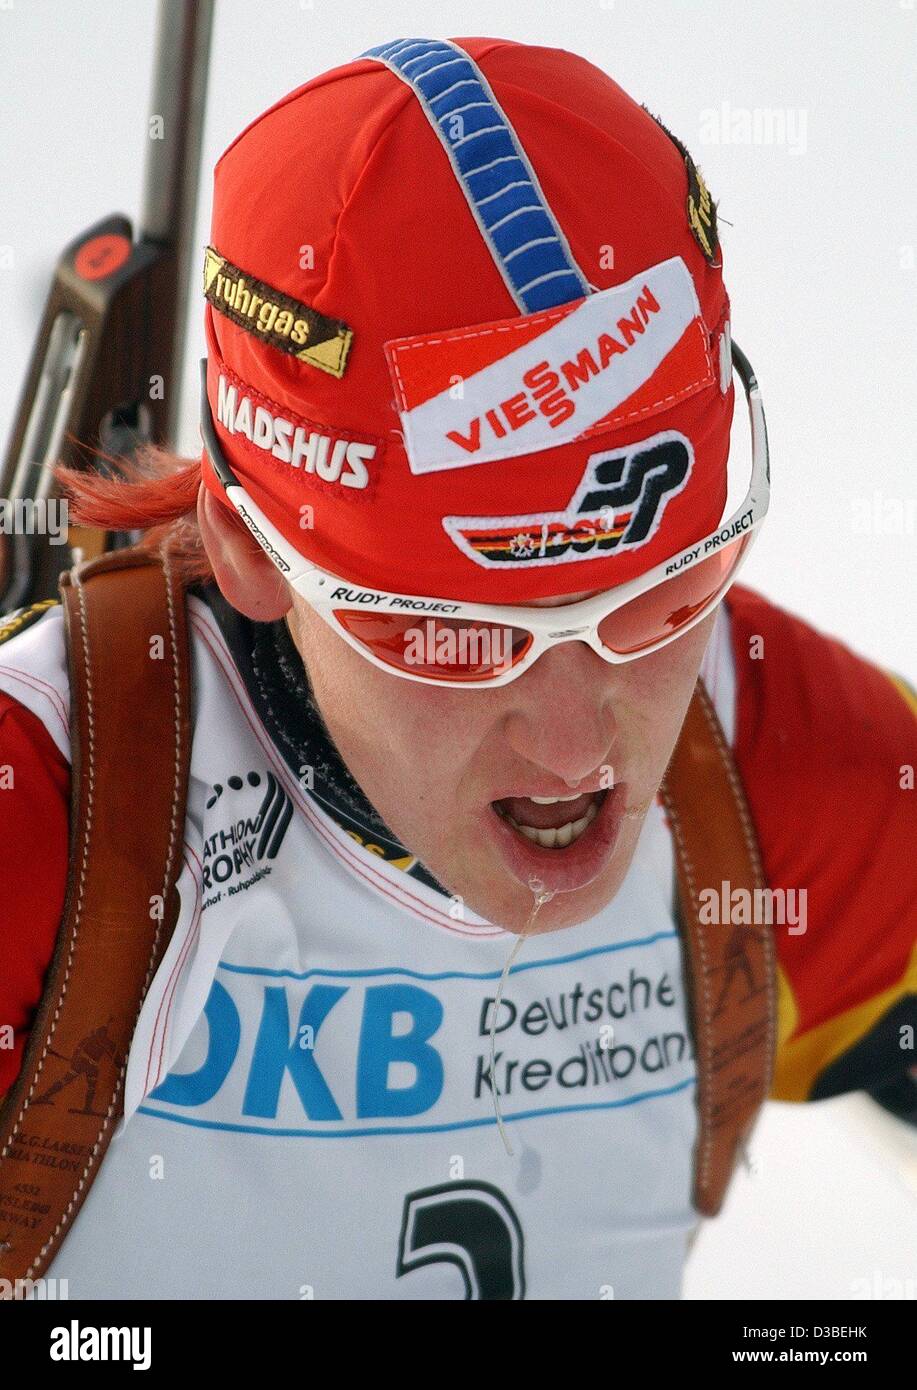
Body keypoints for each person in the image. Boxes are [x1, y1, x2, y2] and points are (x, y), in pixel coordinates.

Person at [0, 36, 913, 1300]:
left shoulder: (779, 776)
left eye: (657, 599)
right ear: (249, 550)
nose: (571, 745)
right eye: (458, 634)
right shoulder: (47, 836)